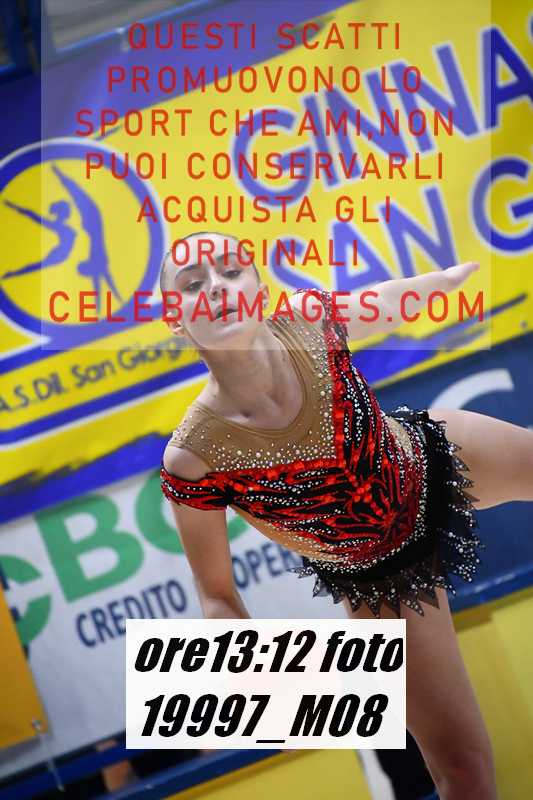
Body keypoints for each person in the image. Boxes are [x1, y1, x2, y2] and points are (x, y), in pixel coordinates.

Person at [159, 232, 533, 800]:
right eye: (192, 284)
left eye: (232, 272)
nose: (216, 287)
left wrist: (444, 282)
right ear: (174, 317)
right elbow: (216, 594)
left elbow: (387, 300)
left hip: (432, 459)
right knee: (463, 770)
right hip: (379, 576)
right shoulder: (194, 456)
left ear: (261, 291)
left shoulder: (309, 322)